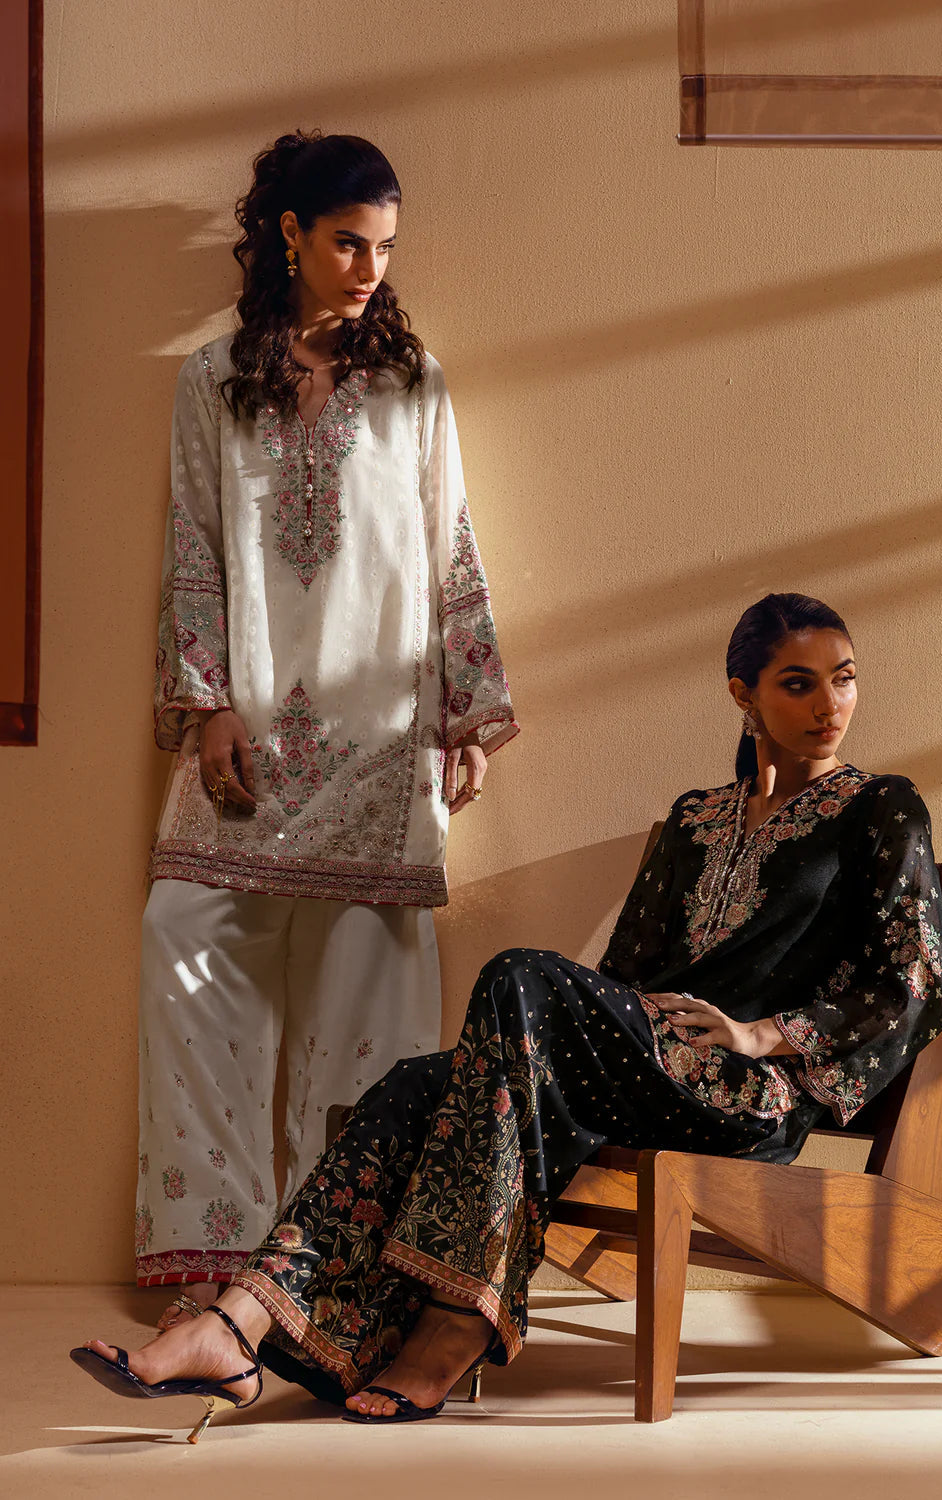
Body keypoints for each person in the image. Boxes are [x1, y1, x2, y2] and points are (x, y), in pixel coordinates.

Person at [78, 593, 942, 1428]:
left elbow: (914, 981)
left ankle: (458, 1318)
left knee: (519, 977)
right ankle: (237, 1323)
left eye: (844, 678)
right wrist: (620, 1026)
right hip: (650, 1072)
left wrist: (760, 1034)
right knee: (418, 1086)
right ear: (743, 695)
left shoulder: (880, 808)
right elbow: (622, 977)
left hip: (742, 1095)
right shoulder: (697, 820)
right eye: (799, 683)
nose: (830, 704)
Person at [136, 131, 517, 1325]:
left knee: (372, 1010)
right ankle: (212, 1255)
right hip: (250, 731)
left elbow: (450, 545)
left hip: (381, 740)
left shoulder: (414, 383)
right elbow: (195, 548)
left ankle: (326, 1273)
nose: (369, 268)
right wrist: (206, 705)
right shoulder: (213, 380)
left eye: (385, 246)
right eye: (349, 242)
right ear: (290, 234)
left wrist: (462, 714)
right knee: (184, 949)